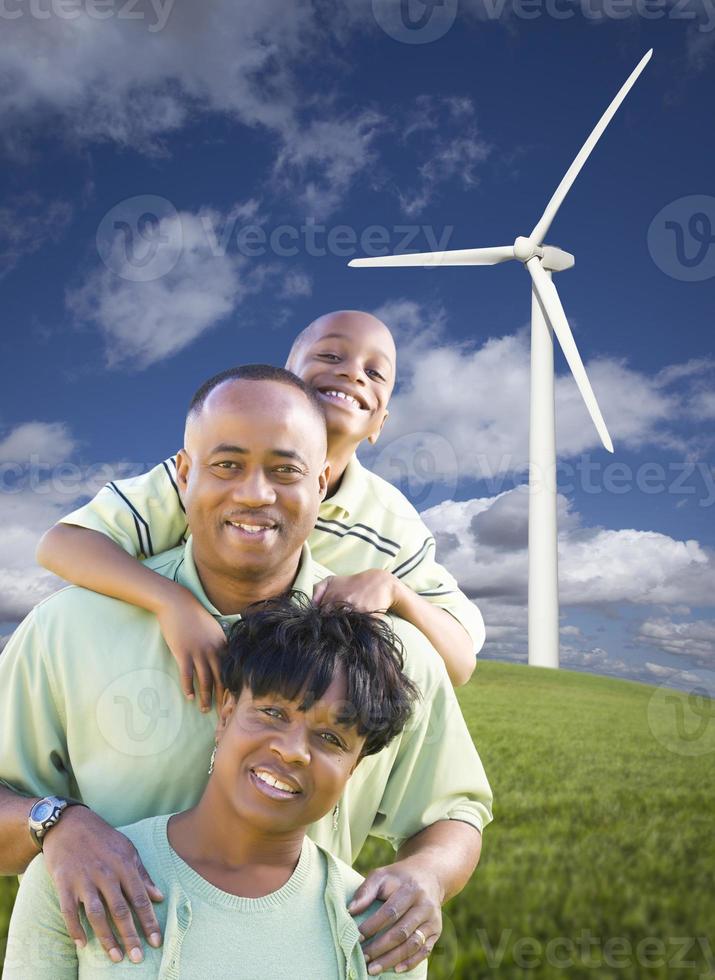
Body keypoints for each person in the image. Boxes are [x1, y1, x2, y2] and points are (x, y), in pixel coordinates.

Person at [0, 366, 492, 978]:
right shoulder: (66, 628)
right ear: (184, 475)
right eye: (227, 465)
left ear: (321, 482)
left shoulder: (391, 655)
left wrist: (427, 875)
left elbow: (454, 812)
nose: (256, 494)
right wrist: (55, 825)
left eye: (286, 471)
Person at [36, 310, 484, 695]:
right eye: (330, 355)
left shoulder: (392, 521)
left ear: (380, 423)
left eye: (375, 372)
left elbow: (459, 662)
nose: (352, 373)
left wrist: (395, 590)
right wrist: (172, 603)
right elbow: (63, 544)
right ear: (284, 381)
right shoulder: (208, 475)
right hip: (166, 680)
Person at [4, 596, 427, 979]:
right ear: (225, 716)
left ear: (352, 770)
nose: (294, 750)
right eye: (273, 712)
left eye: (332, 738)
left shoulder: (383, 928)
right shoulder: (76, 874)